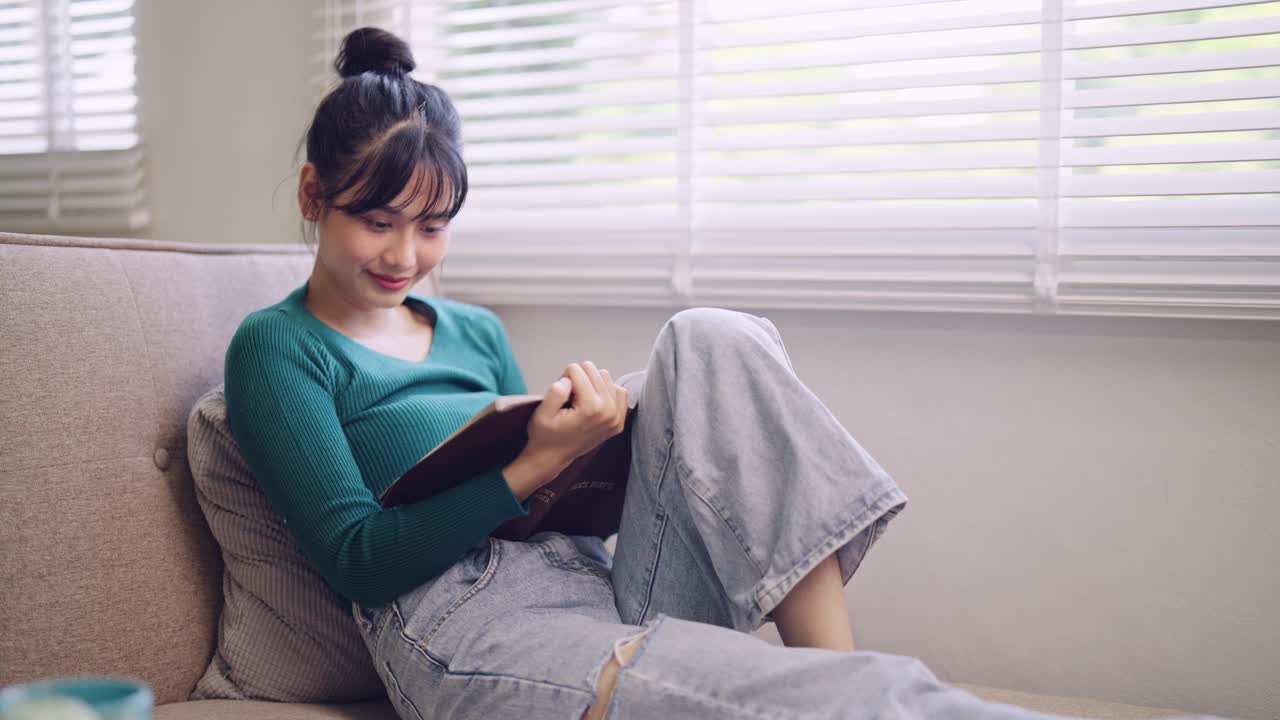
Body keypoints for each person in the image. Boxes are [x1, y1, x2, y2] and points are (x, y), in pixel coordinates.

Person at [222, 26, 1123, 720]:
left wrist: (588, 447)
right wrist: (533, 461)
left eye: (432, 226)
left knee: (710, 336)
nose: (406, 254)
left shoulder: (473, 328)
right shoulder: (278, 346)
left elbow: (546, 508)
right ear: (314, 196)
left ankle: (829, 662)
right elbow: (358, 562)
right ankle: (847, 691)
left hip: (593, 579)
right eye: (378, 220)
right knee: (859, 699)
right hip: (464, 627)